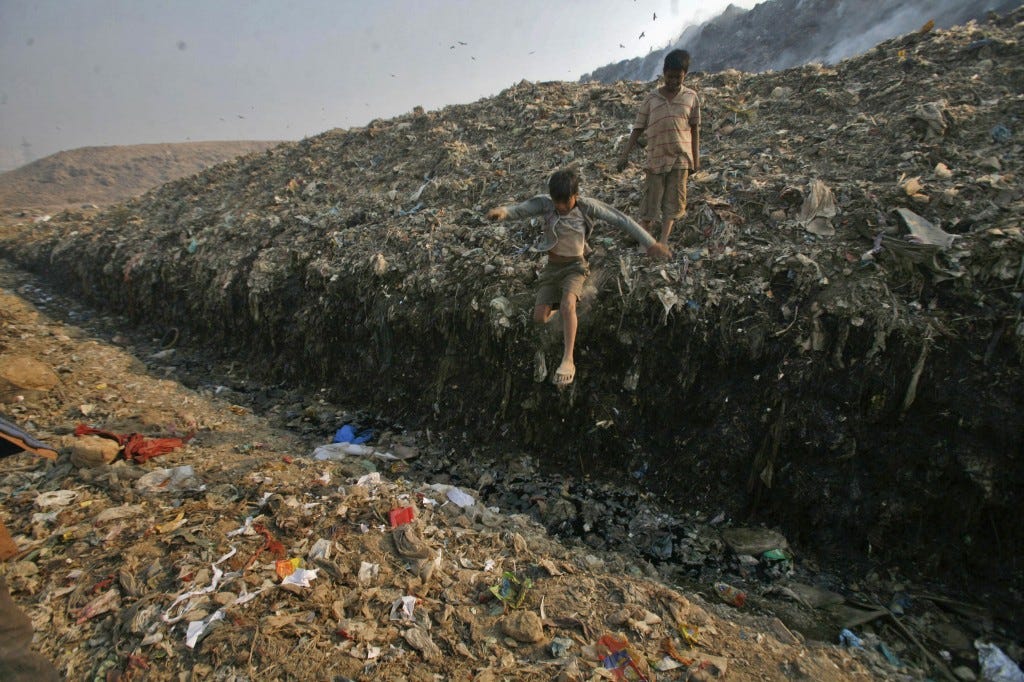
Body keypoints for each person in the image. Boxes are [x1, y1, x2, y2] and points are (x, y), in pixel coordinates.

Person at [486, 168, 668, 387]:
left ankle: (568, 359)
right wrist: (503, 212)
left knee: (567, 304)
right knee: (540, 318)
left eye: (565, 202)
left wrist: (650, 243)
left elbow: (622, 220)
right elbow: (521, 209)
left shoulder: (586, 206)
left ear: (575, 195)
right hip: (553, 268)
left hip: (575, 266)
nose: (560, 207)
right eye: (556, 202)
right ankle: (564, 312)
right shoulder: (546, 204)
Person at [616, 49, 701, 246]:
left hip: (680, 158)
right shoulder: (651, 99)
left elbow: (695, 130)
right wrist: (624, 155)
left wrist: (696, 161)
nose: (673, 81)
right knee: (650, 204)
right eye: (670, 76)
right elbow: (637, 129)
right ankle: (646, 241)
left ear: (685, 75)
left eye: (678, 78)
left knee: (673, 203)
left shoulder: (691, 97)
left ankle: (662, 242)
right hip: (656, 157)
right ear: (663, 73)